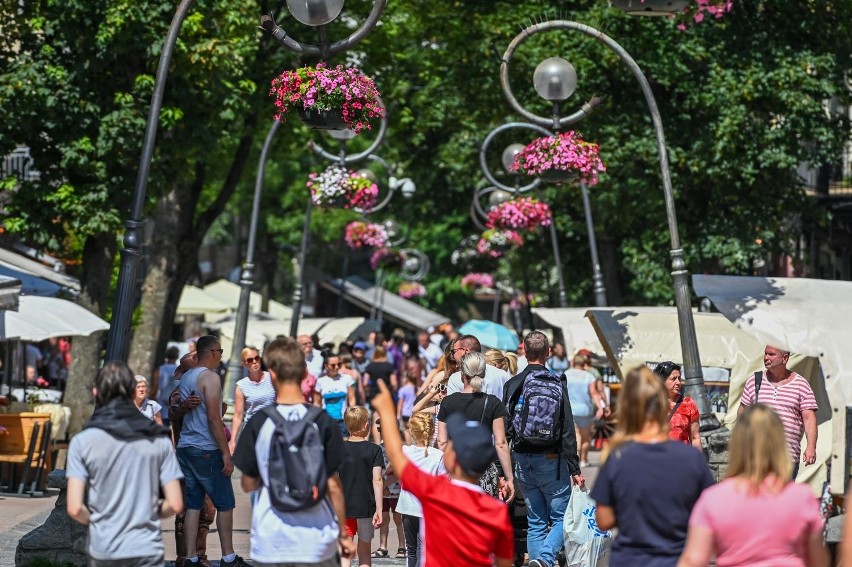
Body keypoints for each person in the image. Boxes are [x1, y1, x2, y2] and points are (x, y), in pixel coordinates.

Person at [232, 337, 354, 567]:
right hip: (317, 540)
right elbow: (334, 486)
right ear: (305, 374)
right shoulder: (323, 421)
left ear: (273, 374)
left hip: (271, 539)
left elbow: (248, 484)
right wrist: (343, 535)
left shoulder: (259, 422)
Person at [372, 381, 515, 567]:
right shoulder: (497, 511)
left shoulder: (436, 492)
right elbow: (504, 562)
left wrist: (385, 411)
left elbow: (396, 456)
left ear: (452, 459)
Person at [590, 367, 714, 567]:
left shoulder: (617, 456)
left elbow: (604, 520)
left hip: (629, 559)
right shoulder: (691, 458)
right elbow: (709, 513)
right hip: (677, 558)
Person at [678, 404, 827, 567]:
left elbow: (693, 561)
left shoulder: (714, 498)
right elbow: (818, 561)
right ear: (779, 443)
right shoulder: (801, 498)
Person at [66, 361, 183, 566]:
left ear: (96, 392)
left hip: (105, 547)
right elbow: (175, 503)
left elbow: (75, 508)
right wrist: (144, 514)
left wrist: (102, 523)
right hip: (146, 547)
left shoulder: (82, 441)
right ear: (132, 392)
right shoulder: (158, 440)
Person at [503, 330, 584, 567]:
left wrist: (503, 469)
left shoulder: (513, 384)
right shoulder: (557, 382)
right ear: (548, 353)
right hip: (552, 459)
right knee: (561, 518)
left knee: (535, 520)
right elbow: (567, 428)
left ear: (524, 352)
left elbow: (507, 429)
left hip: (521, 458)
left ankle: (538, 561)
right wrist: (574, 468)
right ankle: (546, 559)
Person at [175, 335, 248, 567]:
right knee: (225, 503)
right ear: (214, 352)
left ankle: (191, 557)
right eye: (221, 352)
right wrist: (226, 452)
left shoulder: (187, 377)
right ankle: (228, 557)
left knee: (193, 504)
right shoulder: (211, 377)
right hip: (206, 448)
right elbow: (214, 419)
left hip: (186, 446)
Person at [437, 352, 515, 501]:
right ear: (483, 373)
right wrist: (509, 478)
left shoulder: (448, 402)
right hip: (484, 469)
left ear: (462, 374)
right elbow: (500, 443)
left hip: (456, 469)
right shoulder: (493, 403)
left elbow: (442, 442)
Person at [737, 345, 818, 480]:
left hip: (787, 457)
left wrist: (811, 447)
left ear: (785, 358)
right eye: (765, 354)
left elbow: (809, 418)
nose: (766, 357)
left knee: (782, 499)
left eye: (771, 354)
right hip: (756, 455)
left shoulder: (801, 384)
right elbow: (742, 414)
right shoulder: (754, 381)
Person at [170, 352, 216, 567]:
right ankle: (185, 557)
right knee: (188, 509)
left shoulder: (205, 390)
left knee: (207, 511)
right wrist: (185, 406)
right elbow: (173, 413)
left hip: (206, 456)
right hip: (186, 457)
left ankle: (200, 555)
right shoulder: (179, 394)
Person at [395, 412, 447, 567]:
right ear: (431, 432)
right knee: (426, 550)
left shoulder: (405, 451)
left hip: (408, 507)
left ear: (412, 431)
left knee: (411, 551)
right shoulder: (438, 455)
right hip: (429, 509)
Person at [339, 406, 384, 567]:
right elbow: (377, 480)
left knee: (345, 552)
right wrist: (379, 509)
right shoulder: (374, 450)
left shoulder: (339, 449)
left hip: (344, 507)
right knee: (364, 551)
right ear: (366, 426)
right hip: (366, 508)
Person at [228, 346, 276, 454]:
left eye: (257, 358)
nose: (255, 362)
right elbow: (238, 415)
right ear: (244, 364)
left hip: (272, 427)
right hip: (252, 429)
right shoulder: (241, 386)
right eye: (250, 360)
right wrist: (232, 440)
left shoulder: (272, 377)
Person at [563, 355, 608, 467]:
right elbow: (593, 393)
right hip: (585, 411)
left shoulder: (566, 374)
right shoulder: (589, 376)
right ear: (584, 364)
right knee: (585, 437)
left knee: (575, 435)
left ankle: (574, 459)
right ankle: (583, 460)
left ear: (573, 363)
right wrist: (601, 407)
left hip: (569, 410)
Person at [653, 361, 701, 449]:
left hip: (682, 459)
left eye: (679, 378)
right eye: (673, 379)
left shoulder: (688, 403)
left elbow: (695, 438)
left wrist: (698, 461)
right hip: (657, 459)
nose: (678, 382)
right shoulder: (650, 404)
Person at [446, 335, 511, 399]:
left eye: (453, 351)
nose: (453, 355)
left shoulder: (456, 378)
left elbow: (452, 407)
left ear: (464, 351)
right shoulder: (503, 375)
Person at [316, 352, 356, 437]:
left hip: (343, 420)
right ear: (326, 366)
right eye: (333, 365)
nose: (337, 367)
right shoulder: (320, 381)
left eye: (339, 364)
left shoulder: (347, 378)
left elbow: (352, 399)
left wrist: (352, 416)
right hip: (326, 420)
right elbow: (317, 403)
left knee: (344, 444)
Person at [363, 345, 398, 442]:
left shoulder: (370, 366)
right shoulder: (389, 366)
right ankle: (387, 441)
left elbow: (365, 382)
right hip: (386, 395)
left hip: (374, 395)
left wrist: (368, 391)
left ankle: (377, 443)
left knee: (376, 418)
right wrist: (394, 391)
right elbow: (394, 383)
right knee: (387, 418)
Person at [154, 346, 180, 427]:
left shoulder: (160, 369)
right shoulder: (179, 371)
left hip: (161, 405)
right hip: (175, 407)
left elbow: (154, 389)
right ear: (177, 356)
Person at [397, 369, 417, 443]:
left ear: (407, 379)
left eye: (403, 377)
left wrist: (398, 414)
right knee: (414, 429)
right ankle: (415, 444)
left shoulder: (403, 390)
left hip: (406, 413)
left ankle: (409, 445)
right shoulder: (417, 388)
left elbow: (400, 403)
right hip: (415, 412)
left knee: (407, 430)